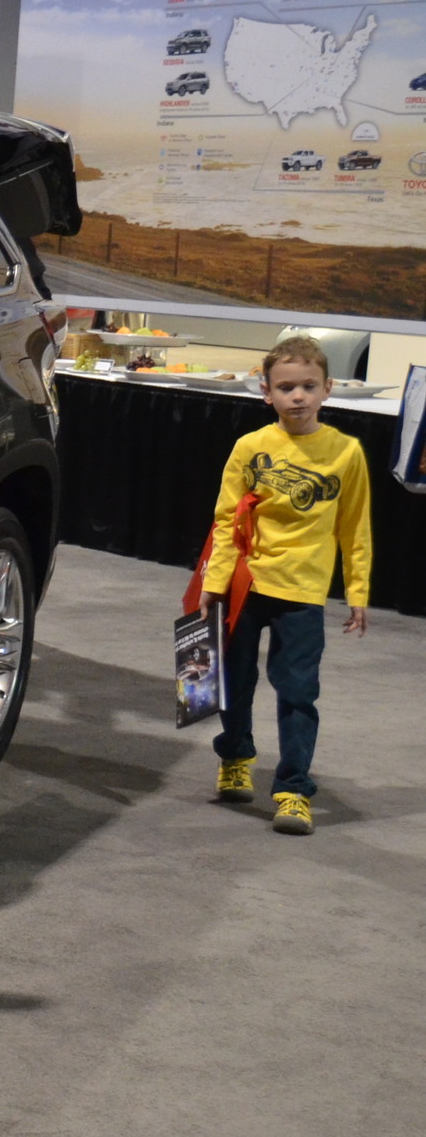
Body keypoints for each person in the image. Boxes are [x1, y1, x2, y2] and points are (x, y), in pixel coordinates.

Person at [201, 334, 372, 834]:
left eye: (308, 386)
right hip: (244, 587)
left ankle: (293, 789)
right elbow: (226, 520)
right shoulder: (250, 448)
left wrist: (357, 591)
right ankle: (235, 756)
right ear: (266, 392)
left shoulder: (346, 453)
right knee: (233, 679)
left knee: (298, 692)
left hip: (302, 596)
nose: (297, 396)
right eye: (286, 387)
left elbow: (354, 529)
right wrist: (214, 583)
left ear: (327, 390)